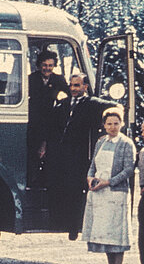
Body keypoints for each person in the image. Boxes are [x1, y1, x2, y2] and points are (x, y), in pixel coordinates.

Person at [46, 74, 113, 239]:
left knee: (76, 189)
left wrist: (108, 130)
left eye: (77, 85)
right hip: (61, 153)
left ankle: (74, 226)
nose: (73, 89)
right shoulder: (64, 103)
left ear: (85, 87)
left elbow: (113, 106)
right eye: (72, 85)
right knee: (60, 187)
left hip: (78, 153)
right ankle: (59, 221)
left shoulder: (92, 103)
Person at [83, 108, 135, 264]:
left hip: (116, 193)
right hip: (99, 193)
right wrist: (90, 178)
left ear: (121, 124)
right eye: (109, 124)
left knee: (116, 236)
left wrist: (108, 182)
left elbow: (128, 170)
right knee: (105, 234)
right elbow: (92, 165)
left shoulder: (127, 144)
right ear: (104, 125)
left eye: (116, 123)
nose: (113, 127)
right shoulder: (100, 142)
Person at [27, 50, 69, 188]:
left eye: (50, 65)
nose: (47, 68)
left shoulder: (59, 80)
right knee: (33, 155)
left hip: (52, 122)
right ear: (39, 66)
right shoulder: (31, 79)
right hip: (33, 122)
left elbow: (67, 99)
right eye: (44, 65)